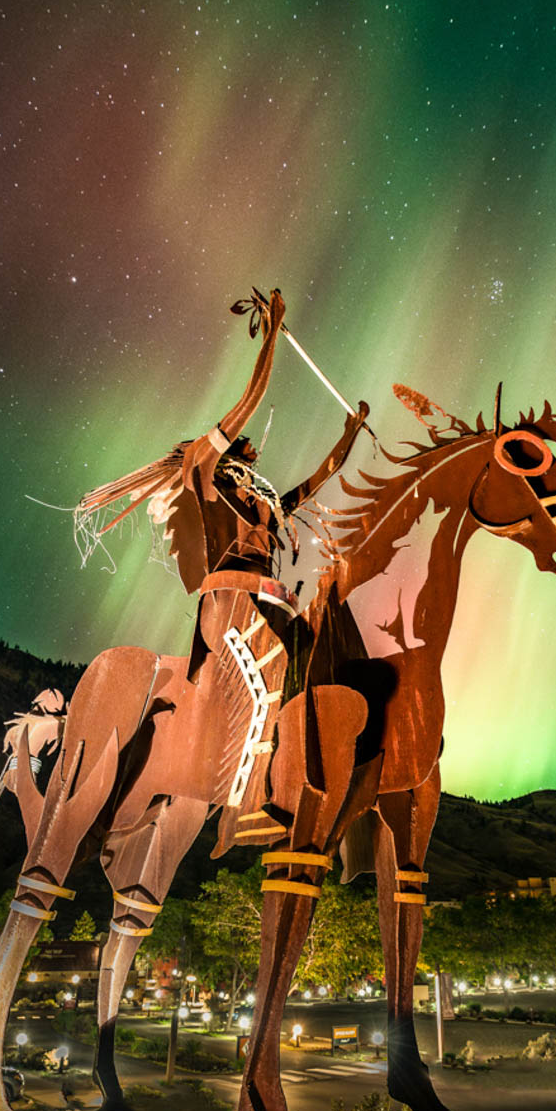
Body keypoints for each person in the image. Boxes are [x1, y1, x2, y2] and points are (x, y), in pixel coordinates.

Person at [71, 288, 368, 812]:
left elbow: (317, 481)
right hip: (228, 605)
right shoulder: (204, 477)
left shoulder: (263, 504)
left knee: (320, 665)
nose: (250, 443)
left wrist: (348, 436)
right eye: (239, 440)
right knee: (270, 668)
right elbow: (247, 400)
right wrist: (270, 340)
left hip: (272, 604)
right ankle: (251, 800)